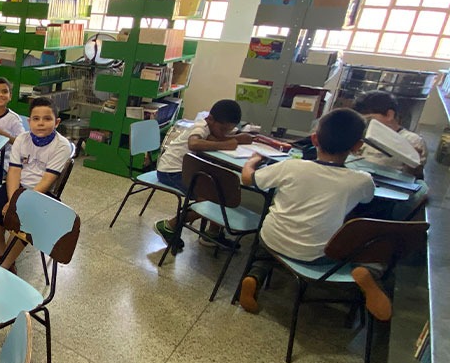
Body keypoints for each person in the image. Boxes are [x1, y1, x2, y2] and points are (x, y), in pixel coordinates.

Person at [238, 108, 390, 320]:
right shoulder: (361, 180)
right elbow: (367, 199)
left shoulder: (290, 166)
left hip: (271, 238)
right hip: (315, 256)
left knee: (267, 248)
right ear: (357, 146)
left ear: (314, 139)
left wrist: (251, 162)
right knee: (365, 233)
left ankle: (254, 277)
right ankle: (367, 271)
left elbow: (248, 179)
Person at [0, 96, 72, 265]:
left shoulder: (61, 145)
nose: (41, 123)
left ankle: (4, 266)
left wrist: (18, 204)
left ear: (57, 122)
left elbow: (47, 180)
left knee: (25, 222)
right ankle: (4, 257)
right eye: (36, 119)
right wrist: (13, 199)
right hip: (17, 188)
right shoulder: (22, 139)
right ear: (29, 121)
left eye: (47, 119)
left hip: (43, 193)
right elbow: (14, 170)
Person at [153, 99, 253, 249]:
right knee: (210, 200)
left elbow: (246, 138)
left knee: (221, 190)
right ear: (210, 119)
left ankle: (212, 234)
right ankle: (169, 226)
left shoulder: (219, 125)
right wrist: (226, 143)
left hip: (191, 170)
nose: (225, 133)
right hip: (171, 170)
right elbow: (193, 143)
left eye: (229, 130)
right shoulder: (202, 125)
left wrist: (228, 137)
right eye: (223, 129)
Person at [353, 90, 427, 177]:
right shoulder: (364, 134)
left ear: (389, 115)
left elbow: (413, 178)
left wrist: (412, 162)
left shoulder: (412, 140)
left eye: (369, 119)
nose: (366, 124)